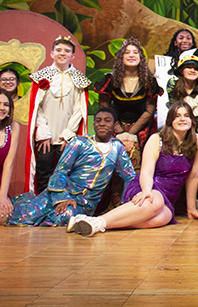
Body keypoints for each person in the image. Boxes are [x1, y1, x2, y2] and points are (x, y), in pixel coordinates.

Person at [68, 102, 198, 236]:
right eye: (177, 116)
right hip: (147, 186)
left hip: (169, 197)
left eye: (186, 116)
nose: (182, 119)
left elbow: (193, 176)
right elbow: (146, 172)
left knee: (164, 218)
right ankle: (98, 223)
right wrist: (147, 191)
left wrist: (191, 208)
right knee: (156, 201)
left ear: (192, 120)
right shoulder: (157, 139)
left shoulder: (196, 140)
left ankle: (87, 222)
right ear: (170, 120)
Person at [7, 108, 135, 227]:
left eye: (107, 121)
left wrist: (126, 204)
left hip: (84, 203)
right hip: (61, 193)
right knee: (22, 216)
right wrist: (62, 197)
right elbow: (60, 171)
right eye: (98, 120)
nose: (102, 124)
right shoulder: (79, 143)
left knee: (63, 218)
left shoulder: (117, 148)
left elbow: (130, 176)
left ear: (115, 125)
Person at [26, 36, 90, 194]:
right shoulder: (42, 76)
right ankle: (40, 207)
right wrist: (43, 132)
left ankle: (60, 209)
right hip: (45, 137)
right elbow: (36, 108)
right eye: (59, 50)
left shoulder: (79, 80)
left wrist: (68, 134)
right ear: (51, 53)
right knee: (44, 173)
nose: (63, 53)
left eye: (67, 51)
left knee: (65, 175)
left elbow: (79, 109)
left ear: (72, 56)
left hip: (65, 138)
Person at [95, 37, 163, 166]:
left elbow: (150, 111)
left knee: (139, 161)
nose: (131, 55)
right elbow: (104, 110)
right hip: (114, 126)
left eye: (135, 52)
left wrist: (131, 134)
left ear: (141, 58)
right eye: (127, 52)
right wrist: (120, 133)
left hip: (142, 128)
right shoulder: (110, 80)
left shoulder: (149, 81)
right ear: (121, 57)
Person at [166, 48, 198, 213]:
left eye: (196, 68)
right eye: (189, 67)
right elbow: (174, 112)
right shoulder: (173, 85)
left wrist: (197, 141)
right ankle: (176, 198)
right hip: (179, 128)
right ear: (181, 70)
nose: (192, 70)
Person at [0, 91, 20, 224]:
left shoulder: (13, 127)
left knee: (3, 216)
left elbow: (9, 165)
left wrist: (2, 197)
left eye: (6, 105)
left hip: (0, 186)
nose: (2, 108)